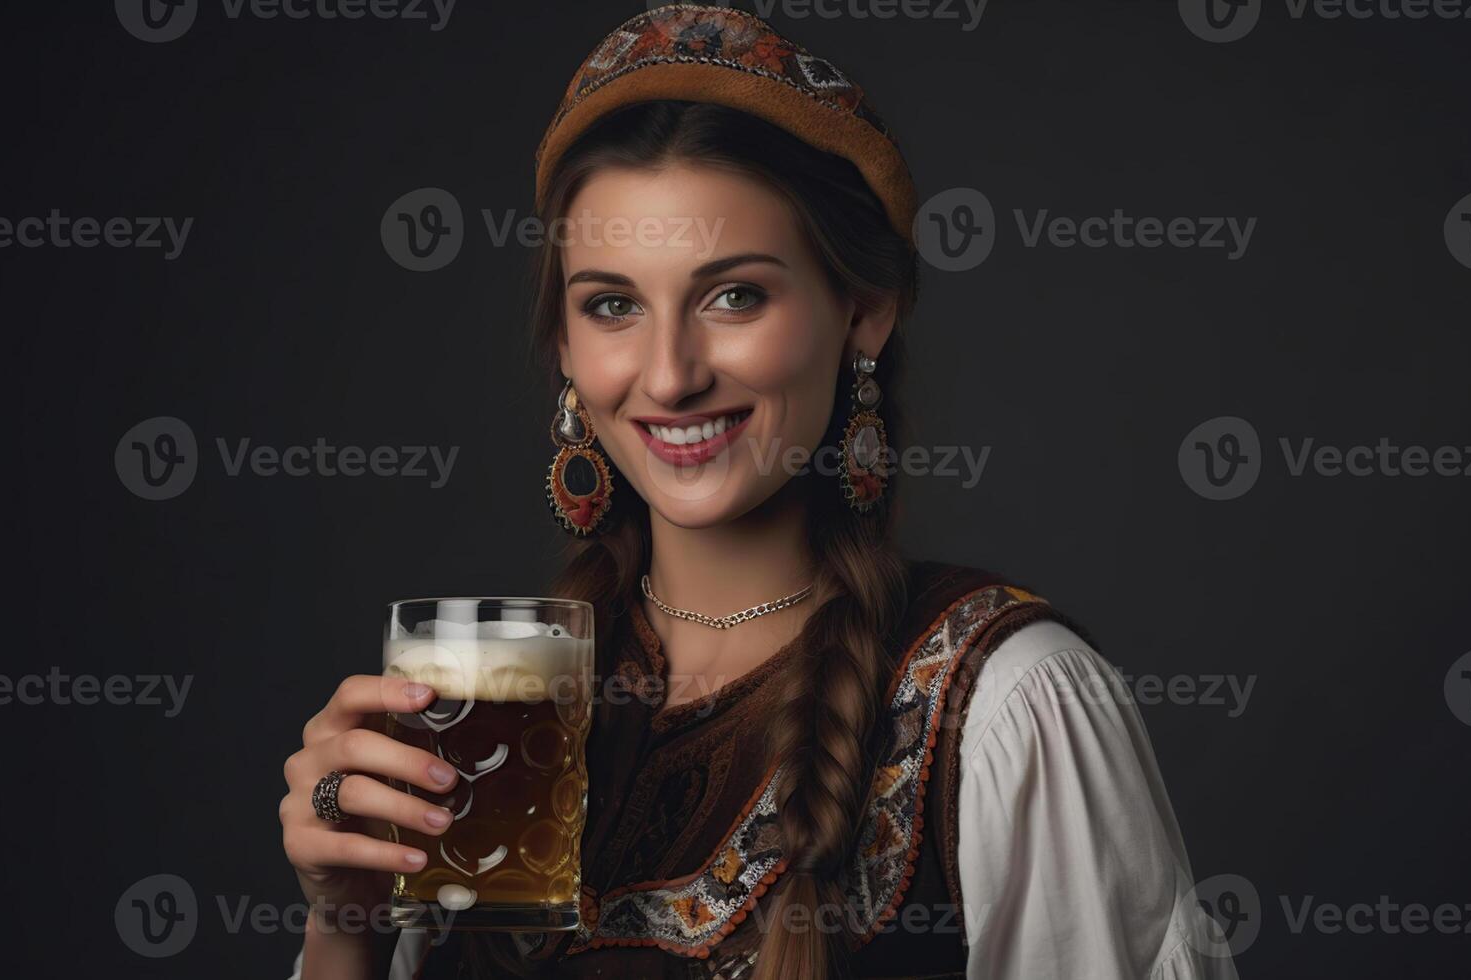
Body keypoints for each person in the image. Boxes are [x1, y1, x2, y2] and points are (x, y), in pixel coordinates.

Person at [280, 6, 1239, 978]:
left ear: (863, 312)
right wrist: (342, 924)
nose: (668, 374)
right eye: (613, 304)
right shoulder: (497, 715)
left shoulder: (1006, 702)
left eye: (734, 294)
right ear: (567, 347)